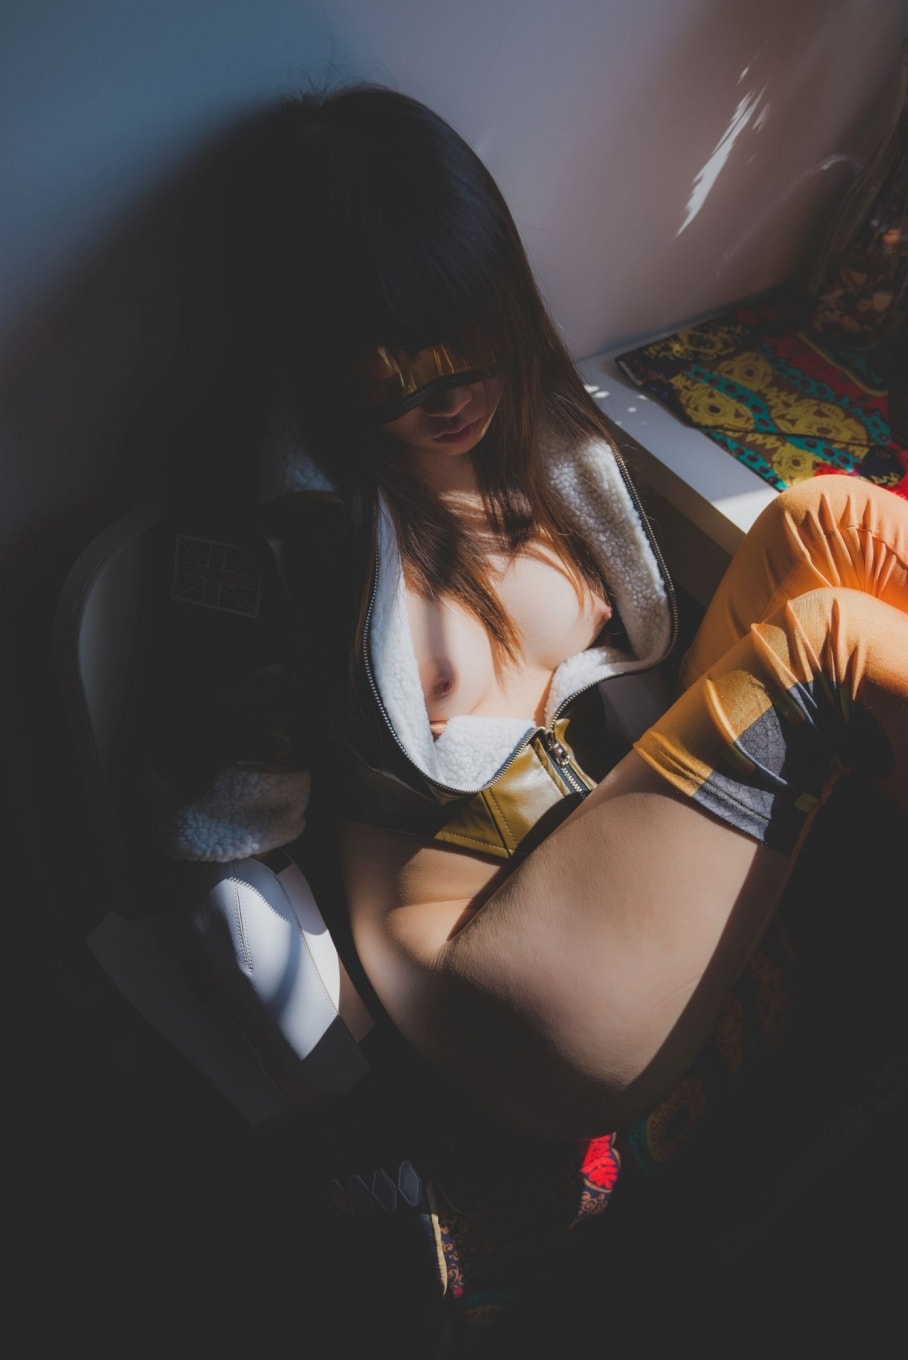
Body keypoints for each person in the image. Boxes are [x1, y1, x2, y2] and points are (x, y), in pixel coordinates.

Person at [142, 83, 908, 1346]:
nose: (447, 394)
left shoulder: (533, 437)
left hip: (602, 832)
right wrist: (330, 1079)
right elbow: (209, 842)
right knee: (824, 647)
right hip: (495, 963)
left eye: (465, 335)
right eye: (393, 366)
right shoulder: (280, 536)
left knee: (820, 521)